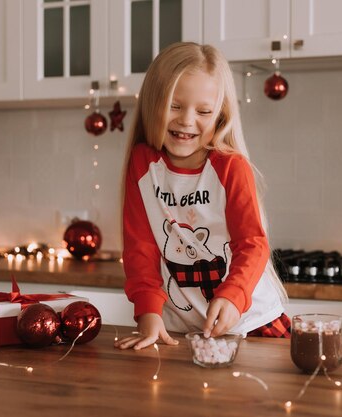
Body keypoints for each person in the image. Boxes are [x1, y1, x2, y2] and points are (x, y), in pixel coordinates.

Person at [114, 42, 288, 351]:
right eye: (174, 105)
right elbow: (141, 248)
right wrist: (148, 312)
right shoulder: (143, 165)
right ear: (153, 103)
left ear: (220, 115)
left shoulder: (230, 167)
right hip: (181, 331)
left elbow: (252, 244)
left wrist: (233, 296)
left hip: (251, 320)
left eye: (203, 111)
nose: (186, 120)